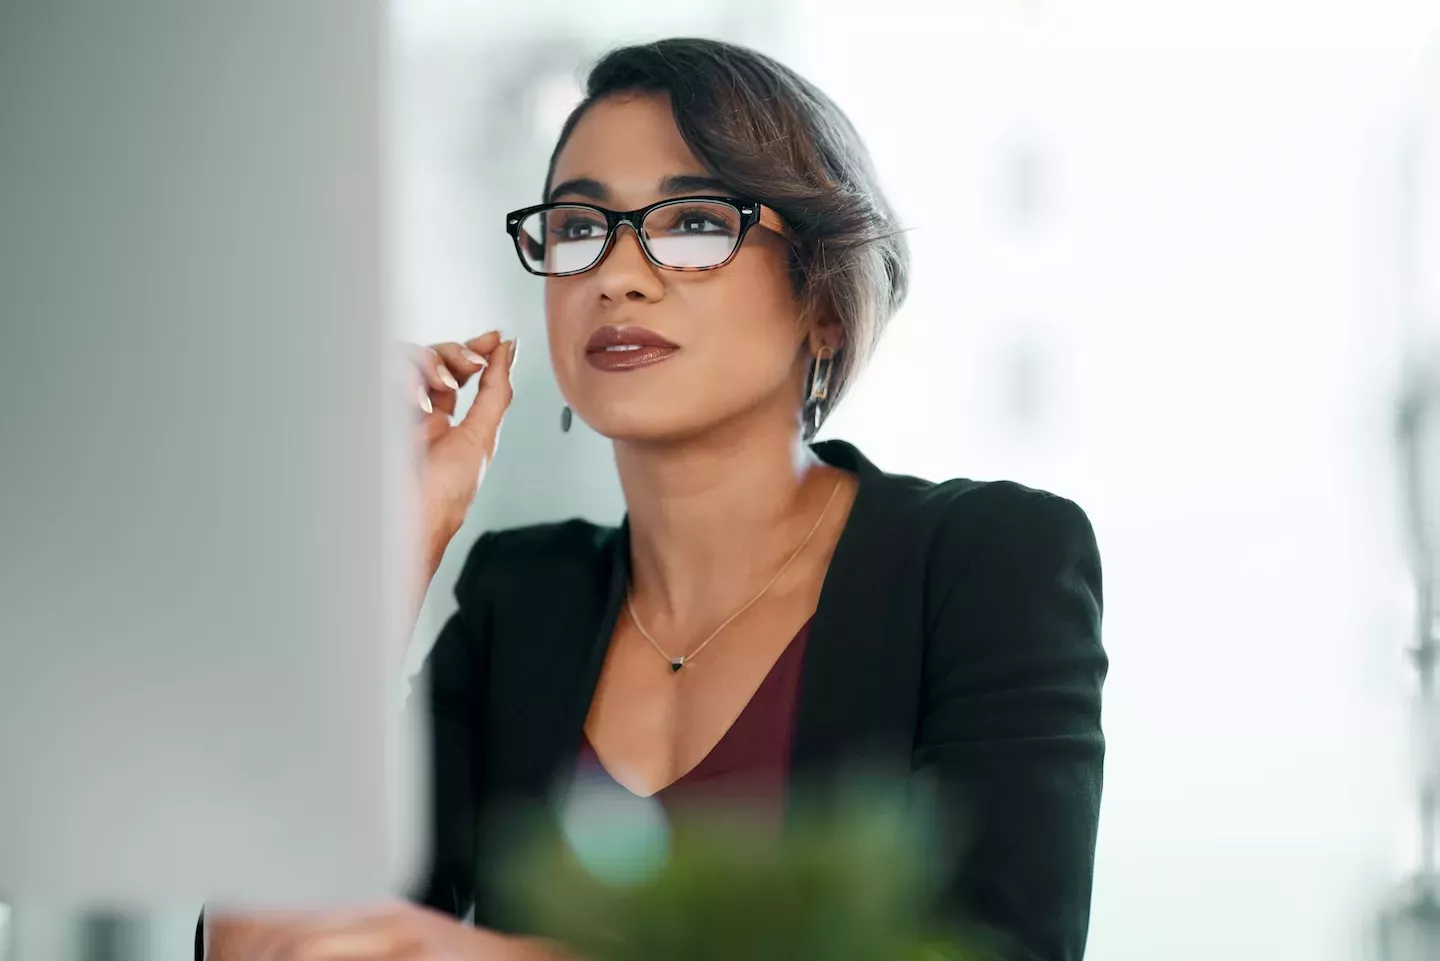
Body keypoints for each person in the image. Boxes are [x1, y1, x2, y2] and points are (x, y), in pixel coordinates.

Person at [202, 37, 1107, 961]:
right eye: (579, 227)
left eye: (694, 222)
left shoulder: (987, 561)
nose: (618, 273)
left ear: (824, 302)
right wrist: (395, 546)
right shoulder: (523, 599)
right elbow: (255, 939)